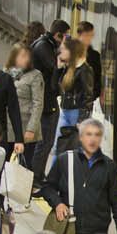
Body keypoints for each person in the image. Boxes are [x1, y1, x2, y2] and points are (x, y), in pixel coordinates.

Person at [28, 18, 68, 172]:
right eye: (65, 36)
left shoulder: (46, 44)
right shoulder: (44, 46)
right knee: (45, 141)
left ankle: (36, 175)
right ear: (58, 35)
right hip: (45, 100)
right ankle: (35, 176)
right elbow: (54, 69)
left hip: (45, 98)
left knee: (45, 141)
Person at [53, 37, 97, 155]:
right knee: (59, 147)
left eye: (63, 49)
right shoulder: (68, 68)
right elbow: (55, 87)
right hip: (65, 110)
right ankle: (57, 173)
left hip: (76, 112)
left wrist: (82, 119)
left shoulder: (84, 70)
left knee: (71, 149)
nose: (60, 51)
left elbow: (88, 95)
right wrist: (58, 68)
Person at [7, 43, 43, 164]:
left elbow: (38, 103)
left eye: (28, 56)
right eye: (22, 56)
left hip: (26, 125)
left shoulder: (35, 75)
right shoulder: (6, 73)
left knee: (25, 165)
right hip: (8, 125)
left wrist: (31, 128)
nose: (25, 59)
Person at [75, 20, 103, 99]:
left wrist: (94, 94)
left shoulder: (95, 55)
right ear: (79, 35)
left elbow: (97, 76)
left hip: (88, 99)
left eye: (91, 35)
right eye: (87, 35)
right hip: (72, 98)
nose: (89, 38)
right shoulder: (71, 52)